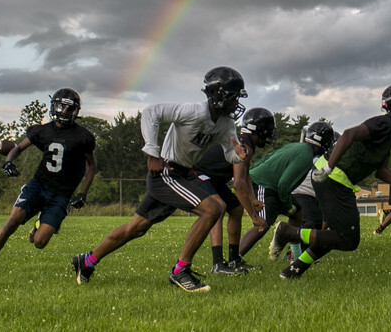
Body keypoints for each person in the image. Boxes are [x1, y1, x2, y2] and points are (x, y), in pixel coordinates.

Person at [71, 66, 267, 293]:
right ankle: (180, 271)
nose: (236, 104)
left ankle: (86, 262)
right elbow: (151, 112)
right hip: (166, 172)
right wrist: (152, 153)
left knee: (136, 228)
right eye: (234, 98)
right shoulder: (194, 111)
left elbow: (229, 154)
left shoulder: (225, 124)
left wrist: (238, 155)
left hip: (182, 173)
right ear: (219, 95)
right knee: (214, 208)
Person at [272, 83, 391, 279]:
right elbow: (349, 134)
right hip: (333, 179)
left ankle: (293, 270)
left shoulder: (389, 132)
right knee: (347, 239)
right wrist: (329, 167)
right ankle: (289, 232)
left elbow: (382, 172)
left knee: (336, 235)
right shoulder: (384, 124)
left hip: (335, 180)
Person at [0, 88, 97, 273]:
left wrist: (83, 193)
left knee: (39, 243)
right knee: (14, 219)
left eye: (69, 108)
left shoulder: (82, 136)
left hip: (62, 194)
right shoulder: (42, 131)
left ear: (75, 111)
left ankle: (39, 223)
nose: (64, 112)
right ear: (54, 107)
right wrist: (8, 162)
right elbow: (18, 148)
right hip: (39, 185)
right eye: (61, 107)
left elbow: (92, 166)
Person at [193, 106, 274, 275]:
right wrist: (253, 216)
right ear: (261, 130)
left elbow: (246, 176)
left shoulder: (245, 142)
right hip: (199, 174)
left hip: (213, 179)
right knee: (218, 208)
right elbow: (238, 184)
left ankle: (234, 259)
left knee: (236, 209)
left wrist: (251, 199)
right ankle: (217, 264)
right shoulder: (244, 144)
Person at [238, 121, 335, 263]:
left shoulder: (298, 147)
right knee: (262, 224)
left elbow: (266, 159)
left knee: (297, 214)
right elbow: (284, 185)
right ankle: (234, 259)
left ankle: (295, 255)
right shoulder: (306, 155)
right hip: (265, 185)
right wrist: (287, 205)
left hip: (269, 185)